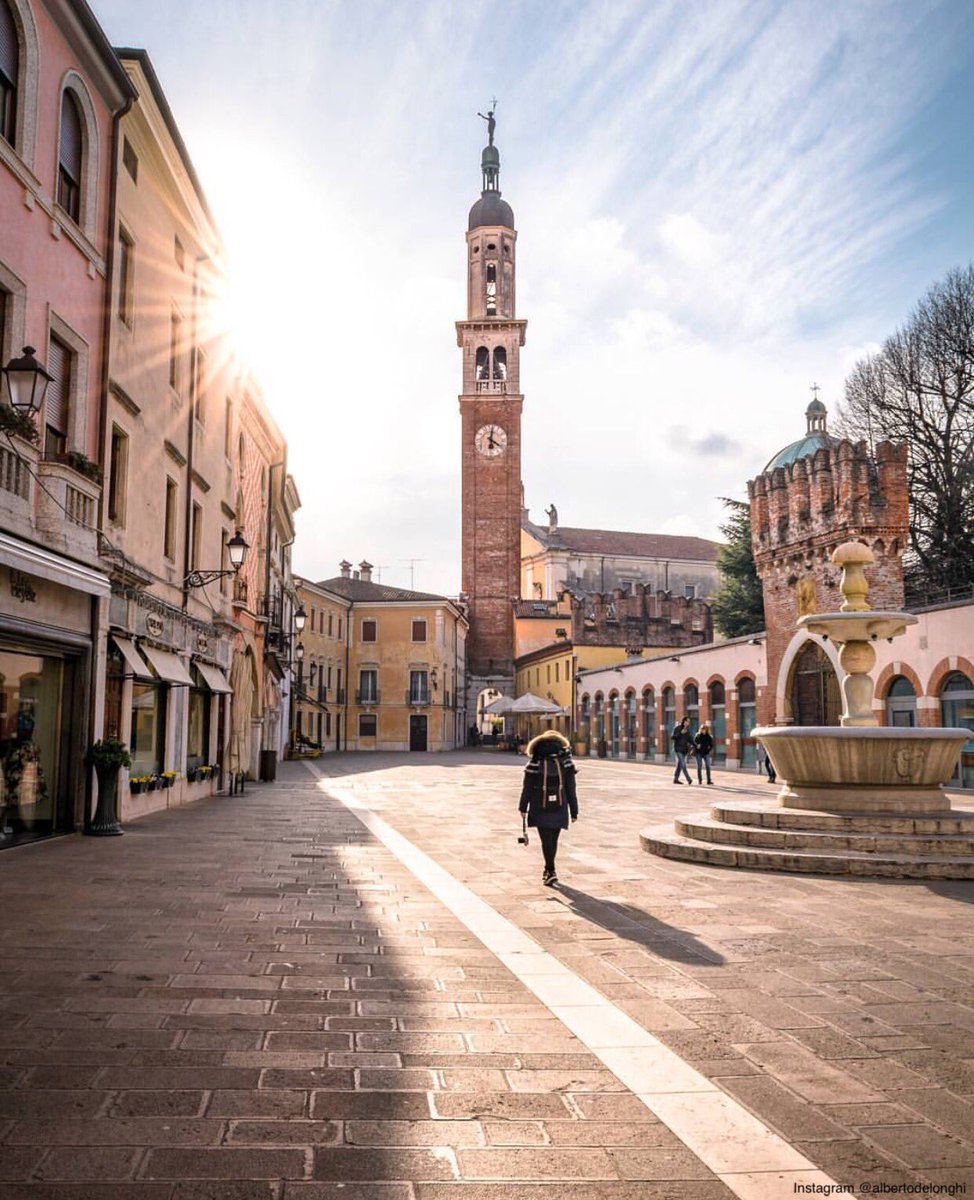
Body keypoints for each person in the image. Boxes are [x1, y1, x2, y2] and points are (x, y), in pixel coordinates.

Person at [518, 730, 578, 886]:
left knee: (546, 839)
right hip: (560, 804)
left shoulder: (535, 762)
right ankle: (550, 869)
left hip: (539, 804)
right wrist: (574, 810)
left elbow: (527, 787)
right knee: (553, 838)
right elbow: (571, 787)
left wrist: (523, 806)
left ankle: (549, 870)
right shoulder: (566, 761)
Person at [672, 717, 693, 785]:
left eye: (689, 722)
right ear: (684, 721)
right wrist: (680, 733)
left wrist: (696, 745)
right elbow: (673, 737)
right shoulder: (677, 728)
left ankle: (676, 779)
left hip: (684, 750)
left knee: (680, 765)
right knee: (683, 764)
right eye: (687, 721)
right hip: (678, 749)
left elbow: (690, 739)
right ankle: (688, 779)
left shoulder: (687, 730)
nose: (688, 723)